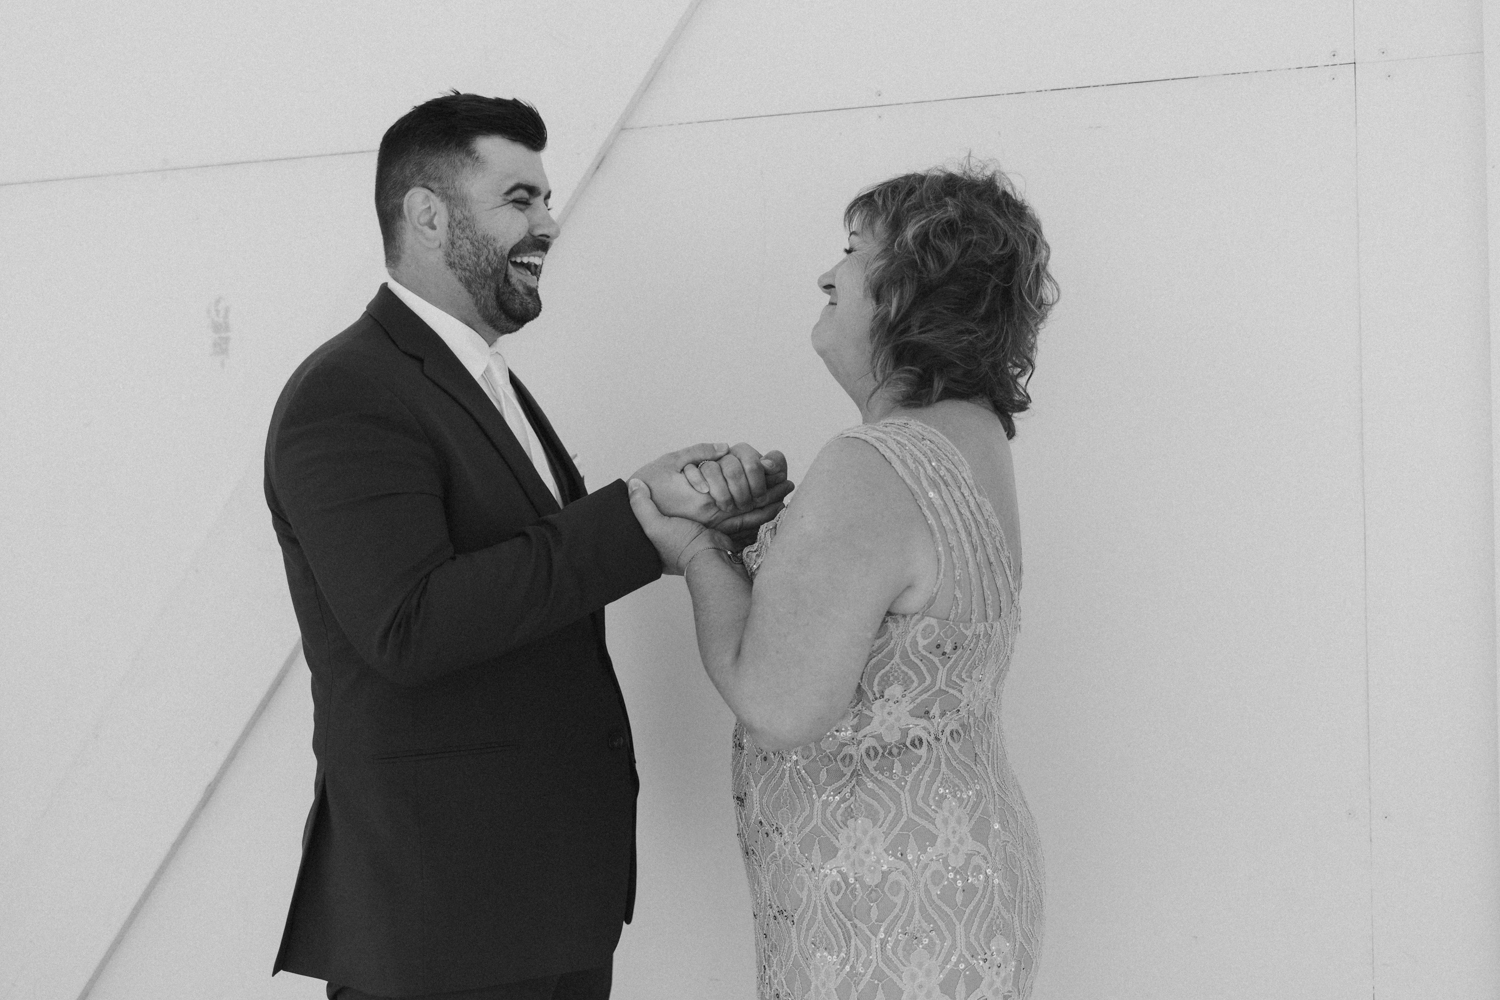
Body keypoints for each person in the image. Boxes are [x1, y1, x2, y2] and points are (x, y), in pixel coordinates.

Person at [263, 92, 790, 1000]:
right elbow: (409, 626)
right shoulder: (347, 394)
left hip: (541, 909)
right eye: (519, 198)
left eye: (545, 198)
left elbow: (533, 578)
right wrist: (632, 515)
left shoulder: (481, 380)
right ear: (428, 215)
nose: (549, 222)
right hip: (441, 929)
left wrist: (673, 531)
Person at [628, 163, 1057, 999]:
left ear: (912, 289)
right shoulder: (972, 434)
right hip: (957, 887)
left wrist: (699, 554)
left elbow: (780, 704)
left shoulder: (870, 463)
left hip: (885, 918)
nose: (829, 275)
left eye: (855, 251)